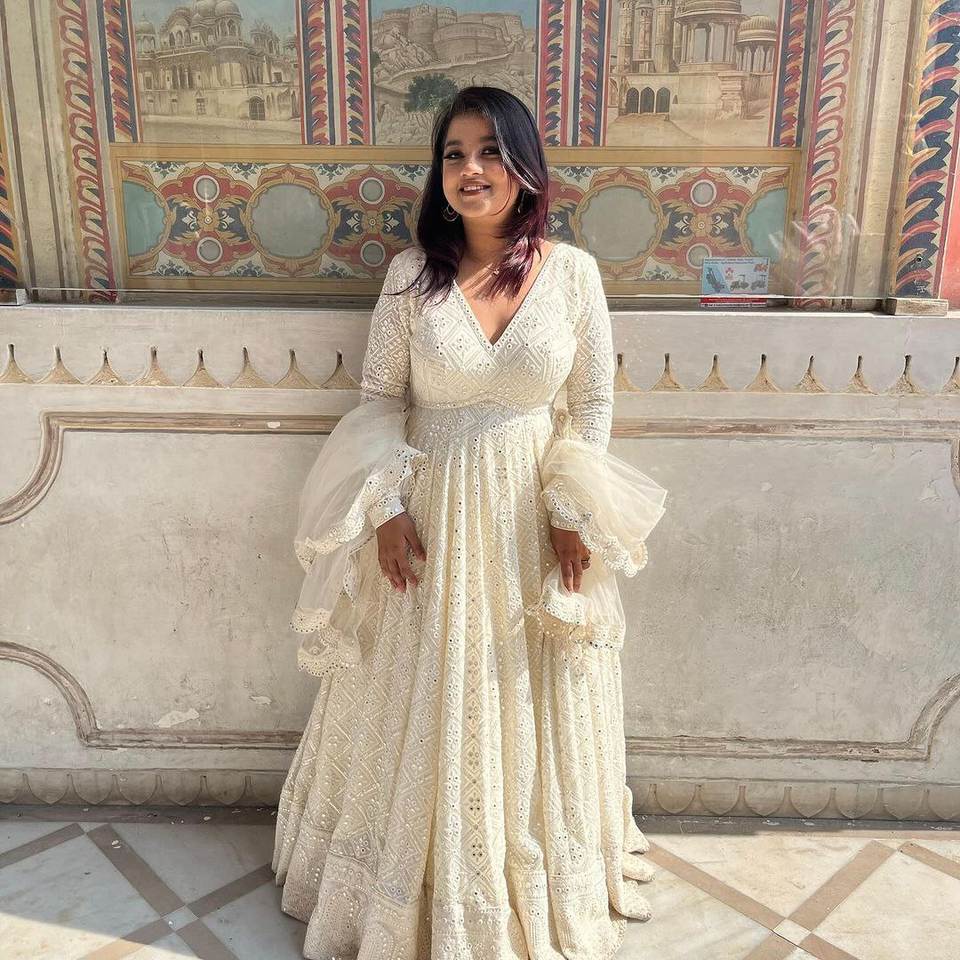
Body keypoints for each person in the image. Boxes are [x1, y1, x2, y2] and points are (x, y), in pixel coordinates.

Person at [271, 85, 668, 960]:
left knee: (526, 686)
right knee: (423, 685)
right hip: (432, 515)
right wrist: (385, 511)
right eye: (454, 154)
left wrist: (570, 511)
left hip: (532, 516)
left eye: (490, 151)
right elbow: (380, 398)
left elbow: (592, 404)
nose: (471, 169)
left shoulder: (573, 275)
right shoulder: (412, 276)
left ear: (525, 166)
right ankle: (409, 882)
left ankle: (530, 878)